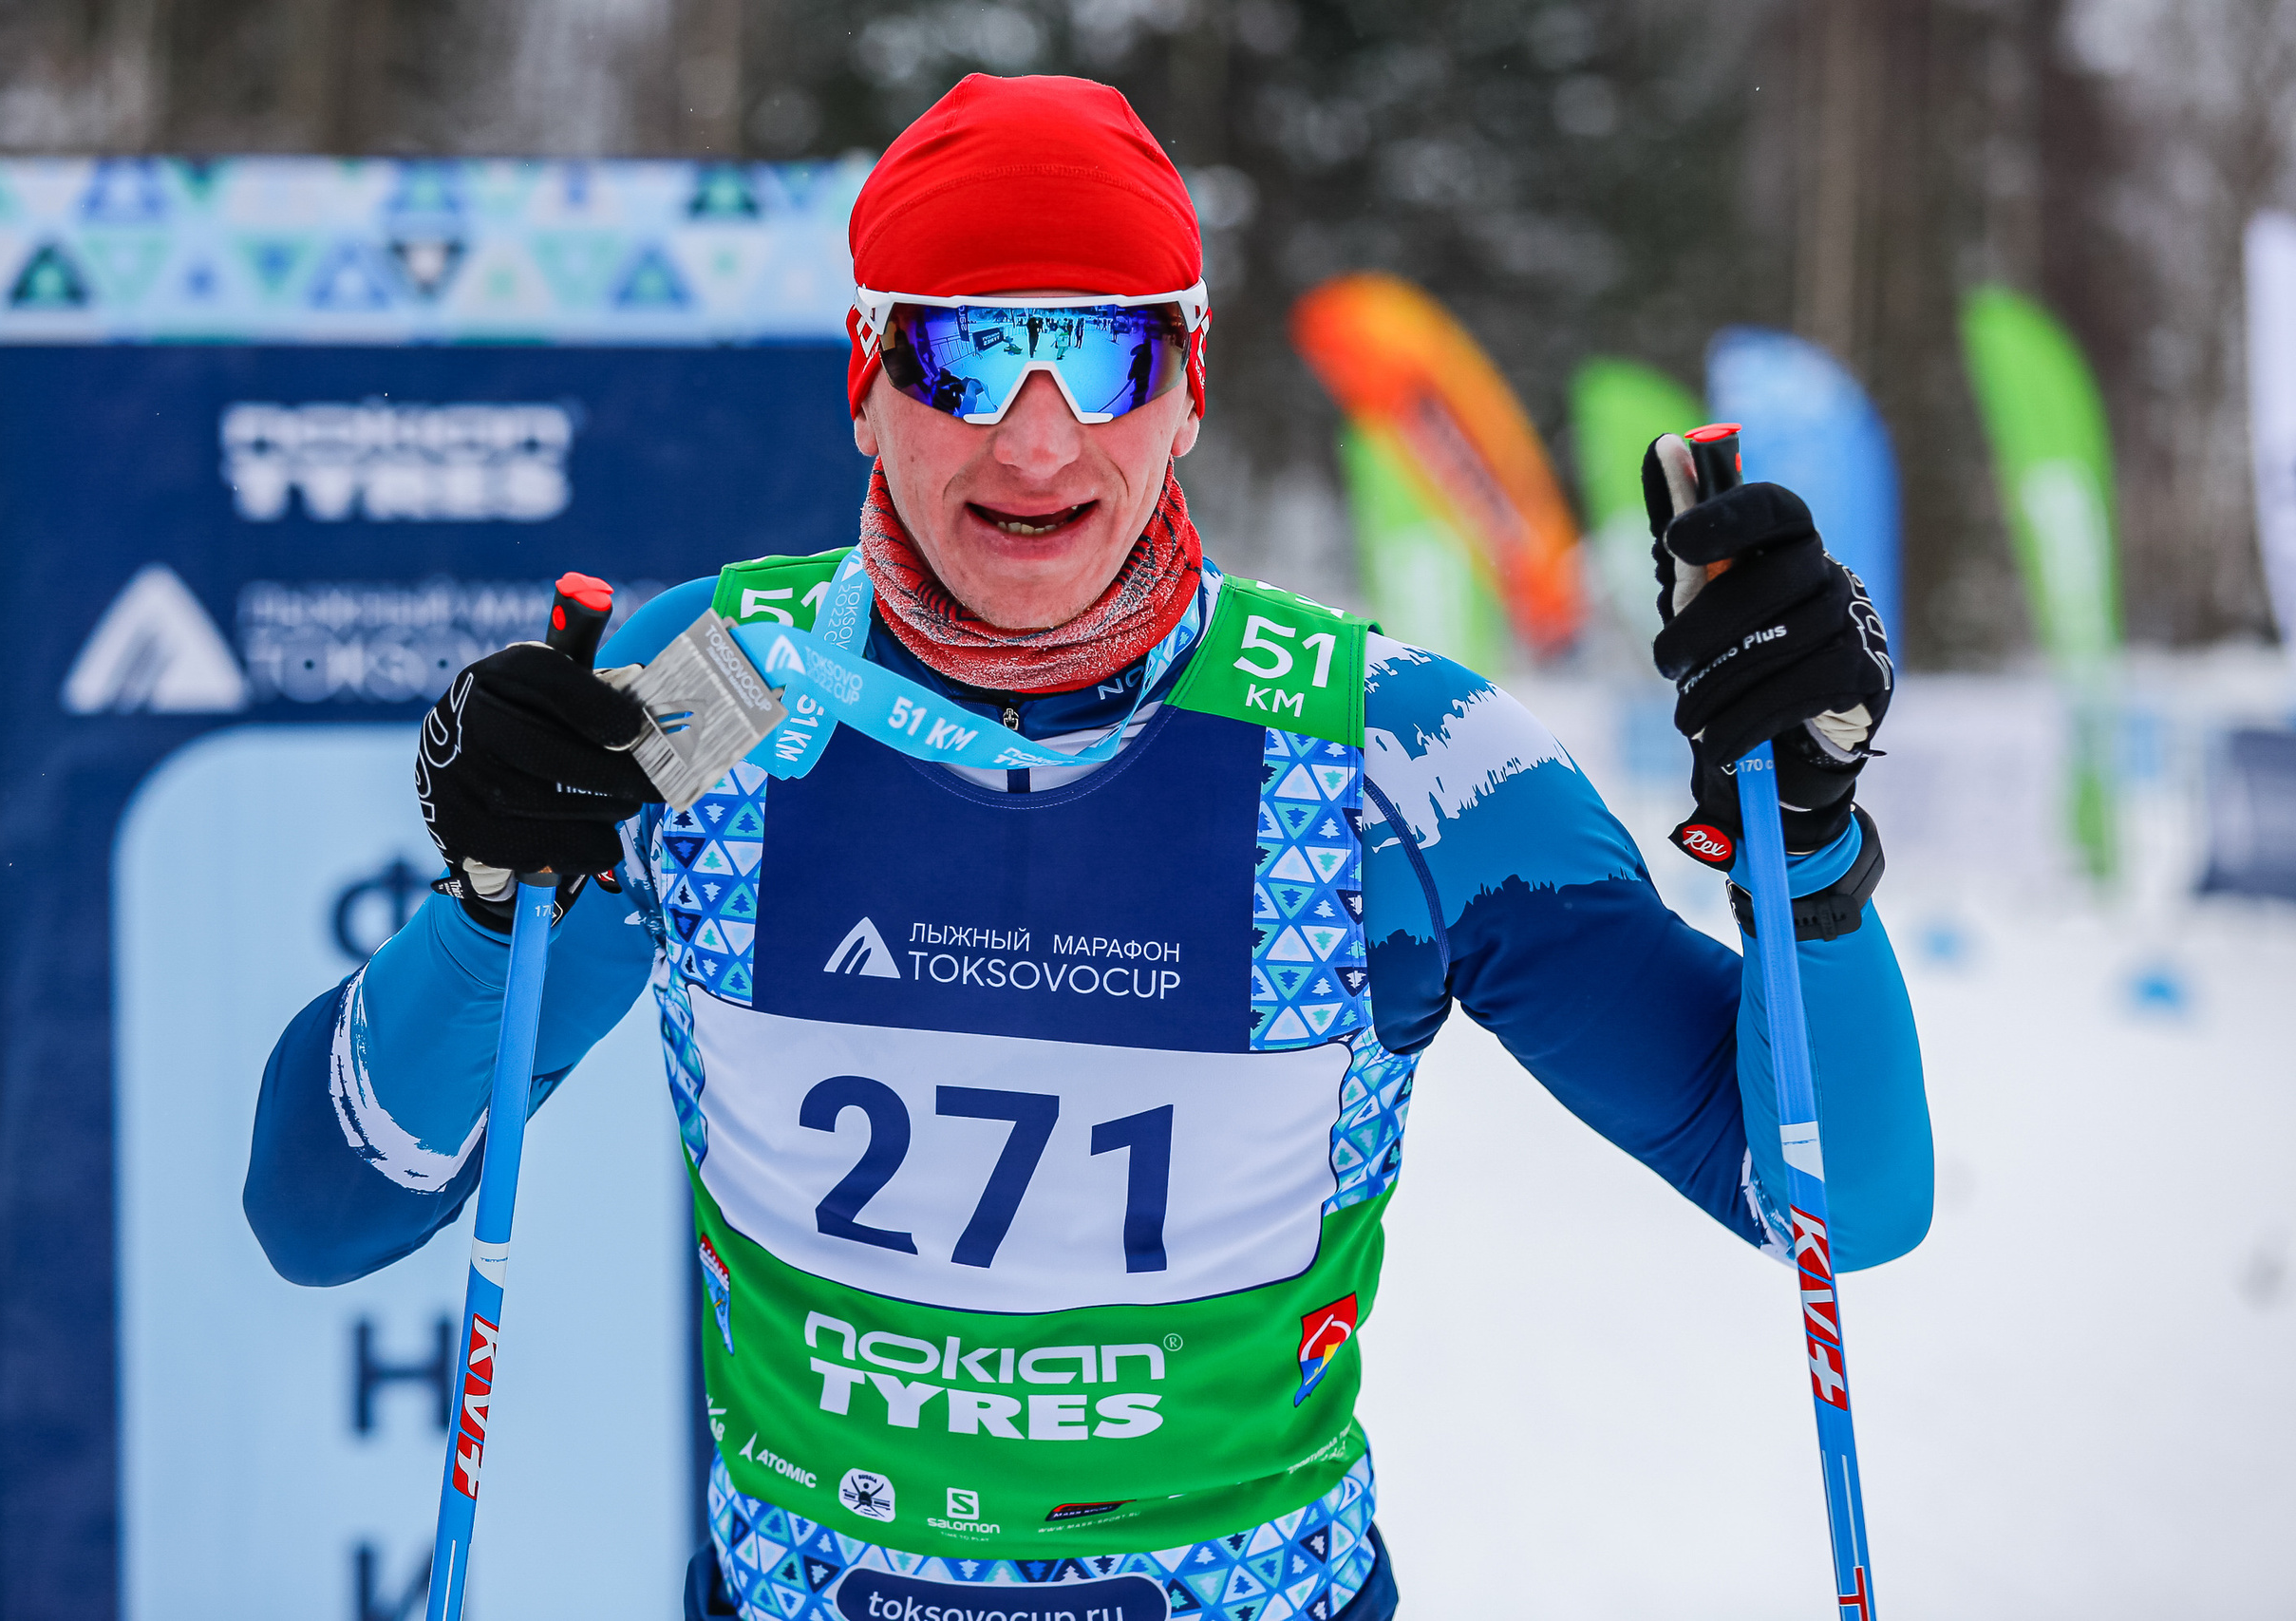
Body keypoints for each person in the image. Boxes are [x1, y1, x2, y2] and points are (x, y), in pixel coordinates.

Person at [245, 73, 1929, 1621]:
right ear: (864, 375)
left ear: (1189, 385)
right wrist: (482, 910)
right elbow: (322, 1213)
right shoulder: (710, 705)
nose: (1038, 441)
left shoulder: (1396, 759)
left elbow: (1838, 1211)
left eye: (1108, 356)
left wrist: (1813, 850)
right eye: (969, 354)